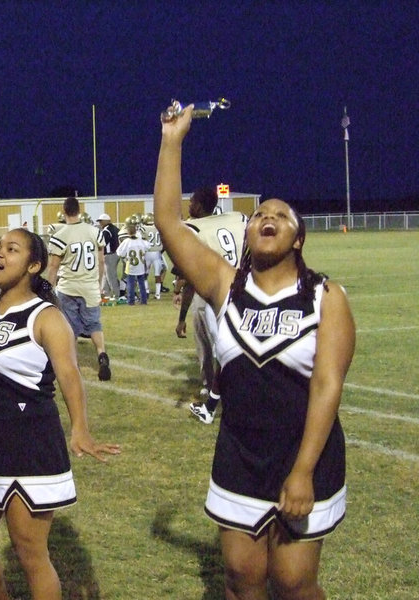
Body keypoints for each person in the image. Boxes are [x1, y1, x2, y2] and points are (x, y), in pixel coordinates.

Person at [154, 104, 355, 600]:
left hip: (304, 455)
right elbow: (167, 222)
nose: (268, 218)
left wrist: (303, 472)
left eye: (281, 216)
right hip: (239, 455)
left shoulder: (325, 296)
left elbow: (328, 385)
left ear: (298, 237)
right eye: (260, 214)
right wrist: (172, 141)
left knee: (292, 581)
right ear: (247, 232)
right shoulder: (225, 286)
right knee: (242, 578)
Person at [0, 135, 120, 600]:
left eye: (12, 249)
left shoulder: (47, 318)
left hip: (32, 444)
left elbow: (71, 377)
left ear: (34, 264)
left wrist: (80, 428)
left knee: (30, 552)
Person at [175, 186, 248, 424]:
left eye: (192, 202)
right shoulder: (236, 219)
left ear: (199, 205)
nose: (189, 206)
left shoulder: (194, 229)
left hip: (214, 296)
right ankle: (214, 402)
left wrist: (181, 317)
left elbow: (188, 281)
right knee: (234, 348)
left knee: (222, 350)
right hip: (241, 291)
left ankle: (215, 404)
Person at [45, 196, 111, 381]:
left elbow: (53, 267)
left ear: (64, 211)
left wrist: (48, 288)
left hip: (69, 287)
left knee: (70, 328)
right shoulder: (94, 231)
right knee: (94, 324)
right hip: (90, 286)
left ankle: (73, 366)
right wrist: (97, 284)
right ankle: (101, 354)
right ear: (79, 210)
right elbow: (101, 260)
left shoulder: (60, 236)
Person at [116, 221, 150, 305]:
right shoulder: (141, 241)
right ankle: (144, 300)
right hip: (141, 265)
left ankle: (131, 301)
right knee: (141, 284)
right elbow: (148, 247)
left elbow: (119, 252)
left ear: (128, 232)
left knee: (130, 284)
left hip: (130, 265)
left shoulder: (127, 242)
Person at [141, 213, 167, 300]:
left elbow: (142, 240)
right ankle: (158, 294)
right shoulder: (159, 227)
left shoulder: (143, 228)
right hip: (157, 253)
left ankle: (147, 291)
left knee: (145, 274)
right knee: (157, 274)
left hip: (148, 252)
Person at [96, 213, 120, 301]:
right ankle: (106, 293)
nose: (100, 223)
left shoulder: (106, 231)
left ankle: (116, 295)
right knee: (106, 275)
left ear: (106, 221)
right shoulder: (116, 229)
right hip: (116, 254)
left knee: (110, 275)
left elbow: (102, 243)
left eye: (101, 221)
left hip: (109, 255)